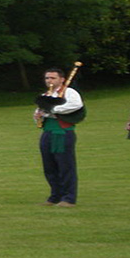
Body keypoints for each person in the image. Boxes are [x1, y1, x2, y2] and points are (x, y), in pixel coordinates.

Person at [34, 67, 84, 207]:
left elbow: (76, 105)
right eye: (47, 78)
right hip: (47, 132)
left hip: (62, 132)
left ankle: (69, 198)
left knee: (65, 165)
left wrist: (52, 110)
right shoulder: (46, 94)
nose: (49, 81)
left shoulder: (69, 92)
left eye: (52, 78)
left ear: (61, 79)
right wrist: (38, 115)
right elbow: (40, 112)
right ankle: (55, 196)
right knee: (49, 166)